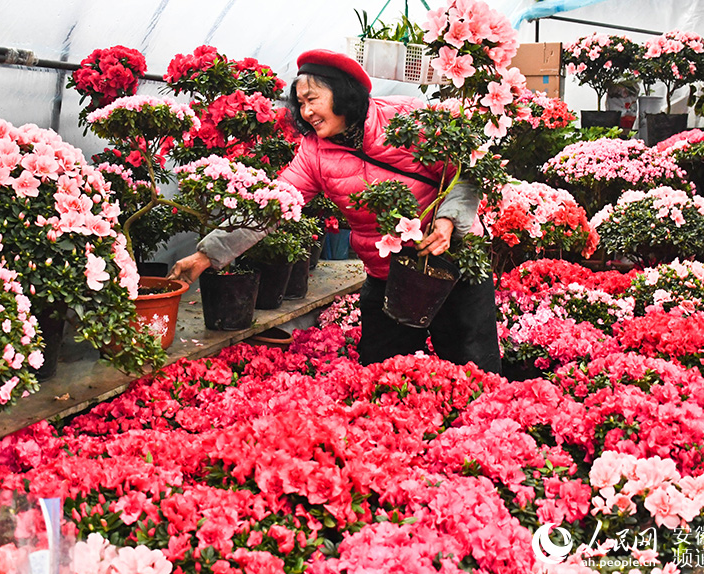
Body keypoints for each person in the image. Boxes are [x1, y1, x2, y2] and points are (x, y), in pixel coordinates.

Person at [169, 49, 501, 373]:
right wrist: (204, 257)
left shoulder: (406, 116)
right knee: (381, 375)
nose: (306, 111)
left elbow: (467, 168)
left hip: (455, 265)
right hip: (389, 275)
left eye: (312, 99)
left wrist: (447, 221)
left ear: (342, 93)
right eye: (300, 103)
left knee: (473, 367)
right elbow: (270, 206)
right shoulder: (313, 153)